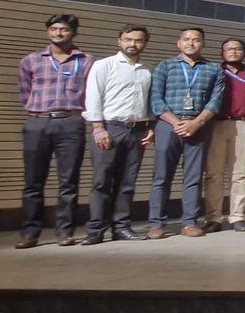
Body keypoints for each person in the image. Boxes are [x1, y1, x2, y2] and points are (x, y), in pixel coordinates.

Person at [17, 13, 91, 249]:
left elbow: (91, 93)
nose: (58, 33)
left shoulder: (87, 61)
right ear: (47, 32)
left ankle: (65, 232)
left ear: (74, 34)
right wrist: (38, 113)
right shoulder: (31, 60)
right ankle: (30, 233)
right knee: (33, 181)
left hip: (70, 123)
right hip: (37, 122)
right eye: (54, 29)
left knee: (68, 181)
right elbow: (25, 92)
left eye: (64, 29)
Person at [146, 28, 224, 239]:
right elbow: (156, 99)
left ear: (203, 43)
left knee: (193, 177)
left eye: (196, 40)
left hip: (198, 126)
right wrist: (176, 122)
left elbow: (215, 101)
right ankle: (156, 224)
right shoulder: (164, 66)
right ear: (178, 43)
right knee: (161, 176)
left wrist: (196, 123)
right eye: (186, 39)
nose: (191, 43)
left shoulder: (213, 69)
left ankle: (189, 222)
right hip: (168, 125)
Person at [80, 23, 153, 245]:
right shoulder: (104, 65)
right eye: (128, 39)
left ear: (145, 43)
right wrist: (97, 127)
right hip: (110, 128)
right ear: (119, 41)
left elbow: (148, 101)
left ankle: (121, 227)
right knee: (102, 181)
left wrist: (150, 126)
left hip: (136, 130)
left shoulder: (146, 71)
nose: (133, 44)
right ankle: (96, 230)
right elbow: (93, 96)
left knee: (127, 182)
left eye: (138, 40)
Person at [202, 37, 245, 232]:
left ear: (243, 52)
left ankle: (237, 216)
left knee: (240, 174)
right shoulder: (214, 71)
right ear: (222, 53)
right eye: (229, 49)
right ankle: (213, 218)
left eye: (237, 49)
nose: (233, 52)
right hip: (217, 124)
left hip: (244, 124)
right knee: (214, 173)